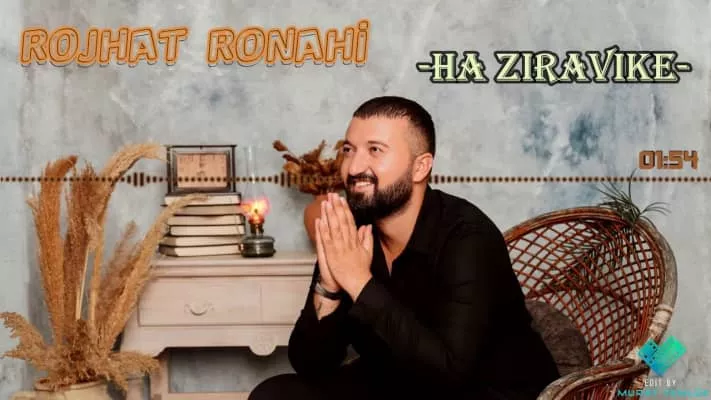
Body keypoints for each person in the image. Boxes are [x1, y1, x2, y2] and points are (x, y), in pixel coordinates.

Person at [249, 96, 560, 400]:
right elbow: (310, 365)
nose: (354, 167)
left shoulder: (469, 236)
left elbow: (450, 374)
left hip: (484, 390)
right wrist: (328, 288)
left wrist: (358, 281)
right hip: (396, 381)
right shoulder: (350, 227)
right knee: (274, 394)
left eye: (375, 150)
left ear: (420, 167)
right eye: (349, 150)